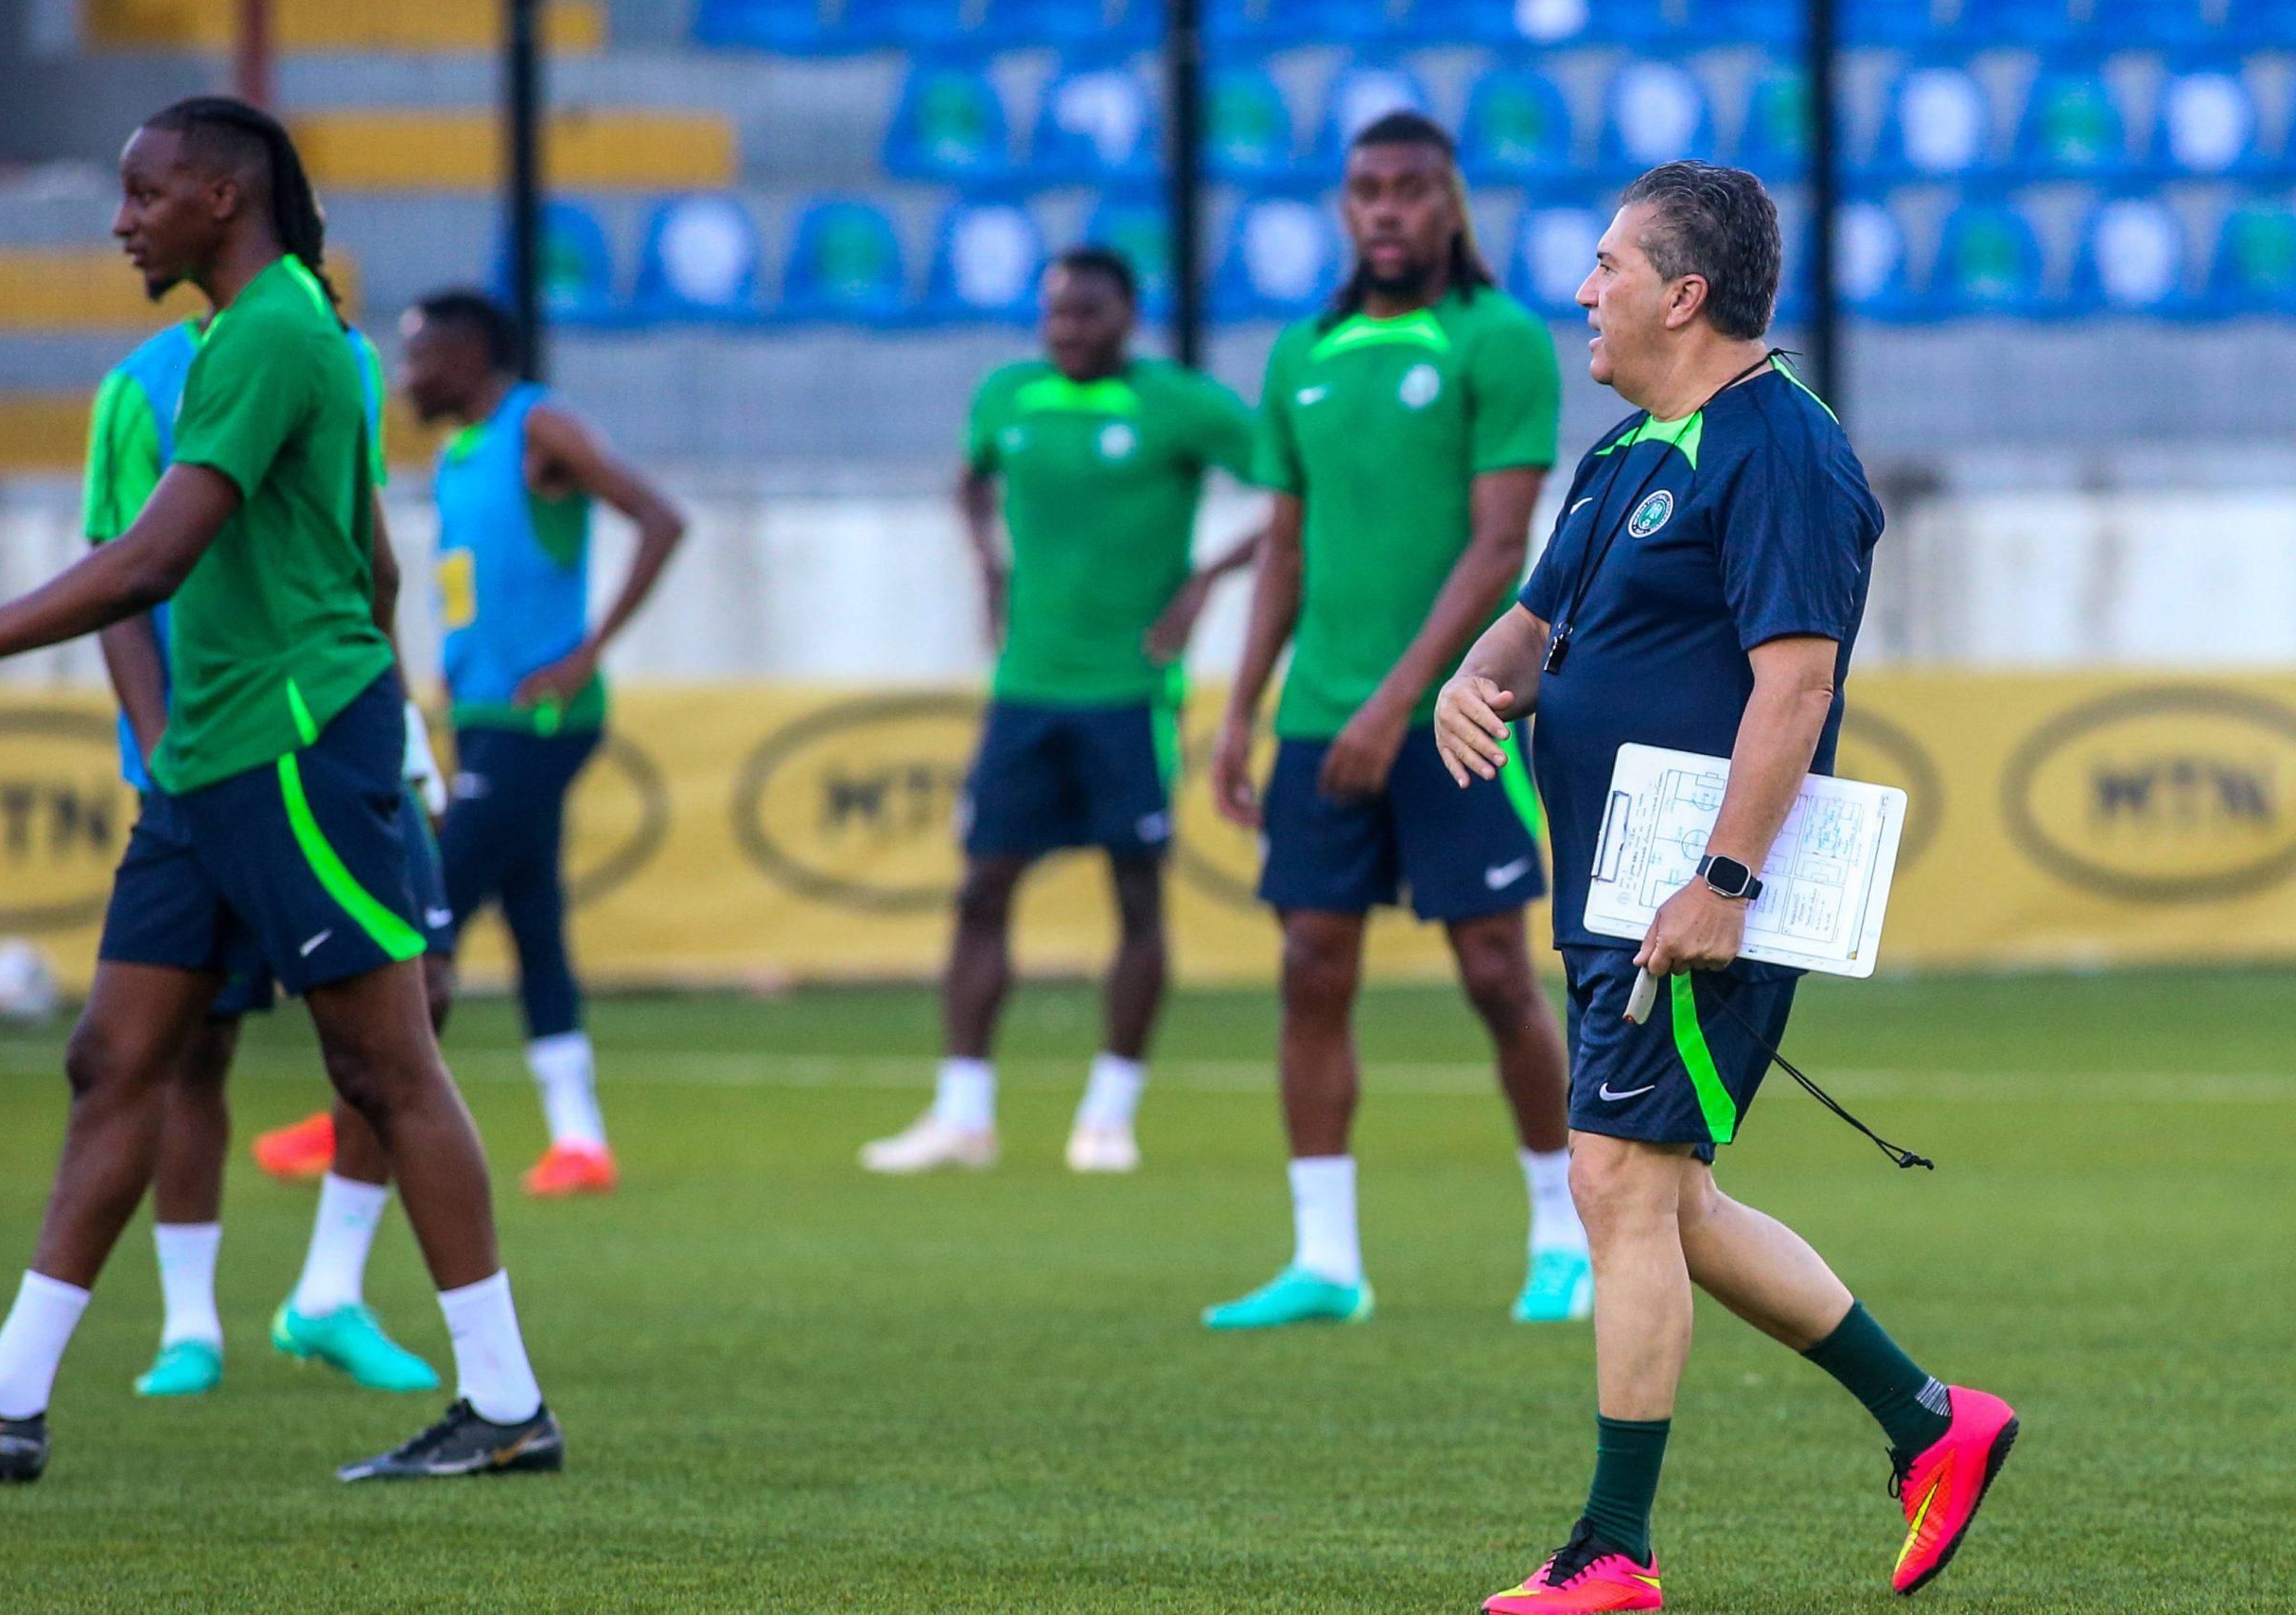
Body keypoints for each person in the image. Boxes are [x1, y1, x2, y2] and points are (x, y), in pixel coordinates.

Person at [0, 97, 559, 1483]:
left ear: (222, 202)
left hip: (293, 744)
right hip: (214, 753)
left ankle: (504, 1404)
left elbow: (146, 564)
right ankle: (6, 1396)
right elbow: (363, 552)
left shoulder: (273, 334)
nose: (121, 219)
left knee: (383, 1060)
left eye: (143, 194)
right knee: (114, 1057)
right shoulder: (282, 334)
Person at [1434, 162, 2016, 1611]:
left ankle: (1615, 1549)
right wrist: (1473, 677)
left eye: (1609, 265)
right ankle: (1934, 1419)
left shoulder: (1787, 453)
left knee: (1621, 1183)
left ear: (1684, 294)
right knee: (1660, 1194)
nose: (1584, 289)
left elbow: (1796, 684)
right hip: (1614, 888)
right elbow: (1534, 620)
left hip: (1696, 898)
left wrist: (1725, 881)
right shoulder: (1628, 451)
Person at [1203, 112, 1588, 1330]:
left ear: (1450, 204)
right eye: (1365, 189)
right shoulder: (1299, 353)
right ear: (1341, 205)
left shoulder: (1497, 340)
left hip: (1453, 714)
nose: (1384, 209)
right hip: (1321, 718)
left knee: (1491, 970)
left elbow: (1497, 551)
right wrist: (1239, 713)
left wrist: (1394, 706)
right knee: (1311, 968)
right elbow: (1285, 548)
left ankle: (1561, 1234)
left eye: (1410, 190)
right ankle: (1326, 1261)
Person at [82, 312, 456, 1399]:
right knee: (192, 1043)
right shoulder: (137, 387)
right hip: (204, 766)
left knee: (414, 1006)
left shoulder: (340, 359)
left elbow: (359, 557)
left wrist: (403, 730)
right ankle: (187, 1325)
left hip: (330, 745)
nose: (127, 222)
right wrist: (161, 758)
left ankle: (329, 1293)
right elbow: (118, 578)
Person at [859, 247, 1260, 1176]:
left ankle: (1108, 1113)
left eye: (1086, 315)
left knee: (1133, 894)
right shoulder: (1009, 396)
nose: (1067, 331)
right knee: (980, 889)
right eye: (1055, 316)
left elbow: (1290, 494)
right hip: (1025, 690)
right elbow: (969, 480)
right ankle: (963, 1115)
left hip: (1128, 692)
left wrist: (1204, 581)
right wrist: (989, 562)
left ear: (1127, 315)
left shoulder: (1182, 404)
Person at [329, 286, 683, 1200]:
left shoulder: (539, 427)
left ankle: (361, 1113)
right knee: (536, 924)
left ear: (471, 356)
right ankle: (579, 1139)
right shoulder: (457, 457)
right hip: (485, 716)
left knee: (424, 903)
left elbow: (660, 517)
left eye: (419, 357)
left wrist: (586, 652)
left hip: (545, 718)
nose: (405, 376)